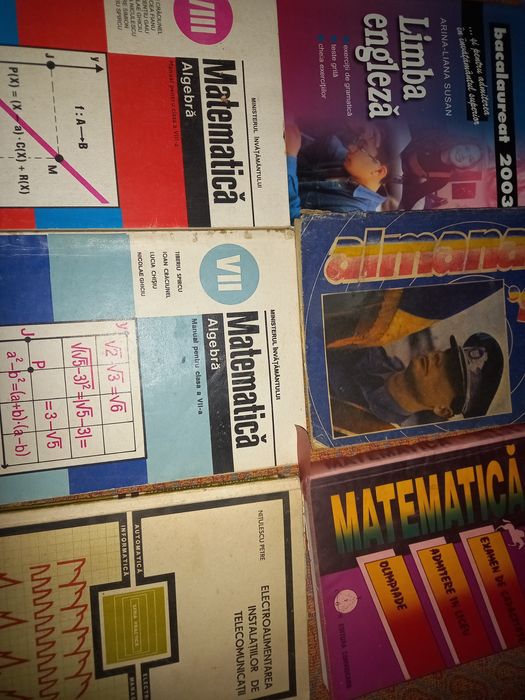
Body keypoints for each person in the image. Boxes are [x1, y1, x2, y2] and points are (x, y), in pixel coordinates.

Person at [327, 332, 504, 436]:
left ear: (442, 410)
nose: (439, 357)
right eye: (448, 353)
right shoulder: (374, 349)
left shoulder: (376, 432)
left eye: (451, 371)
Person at [286, 122, 390, 220]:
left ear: (379, 171)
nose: (350, 147)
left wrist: (290, 156)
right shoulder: (351, 167)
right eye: (357, 141)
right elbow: (329, 143)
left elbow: (296, 223)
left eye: (361, 147)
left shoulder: (351, 214)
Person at [400, 140, 483, 210]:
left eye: (470, 159)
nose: (464, 155)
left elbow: (410, 197)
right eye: (467, 148)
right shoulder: (433, 139)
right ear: (459, 143)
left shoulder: (443, 179)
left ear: (466, 167)